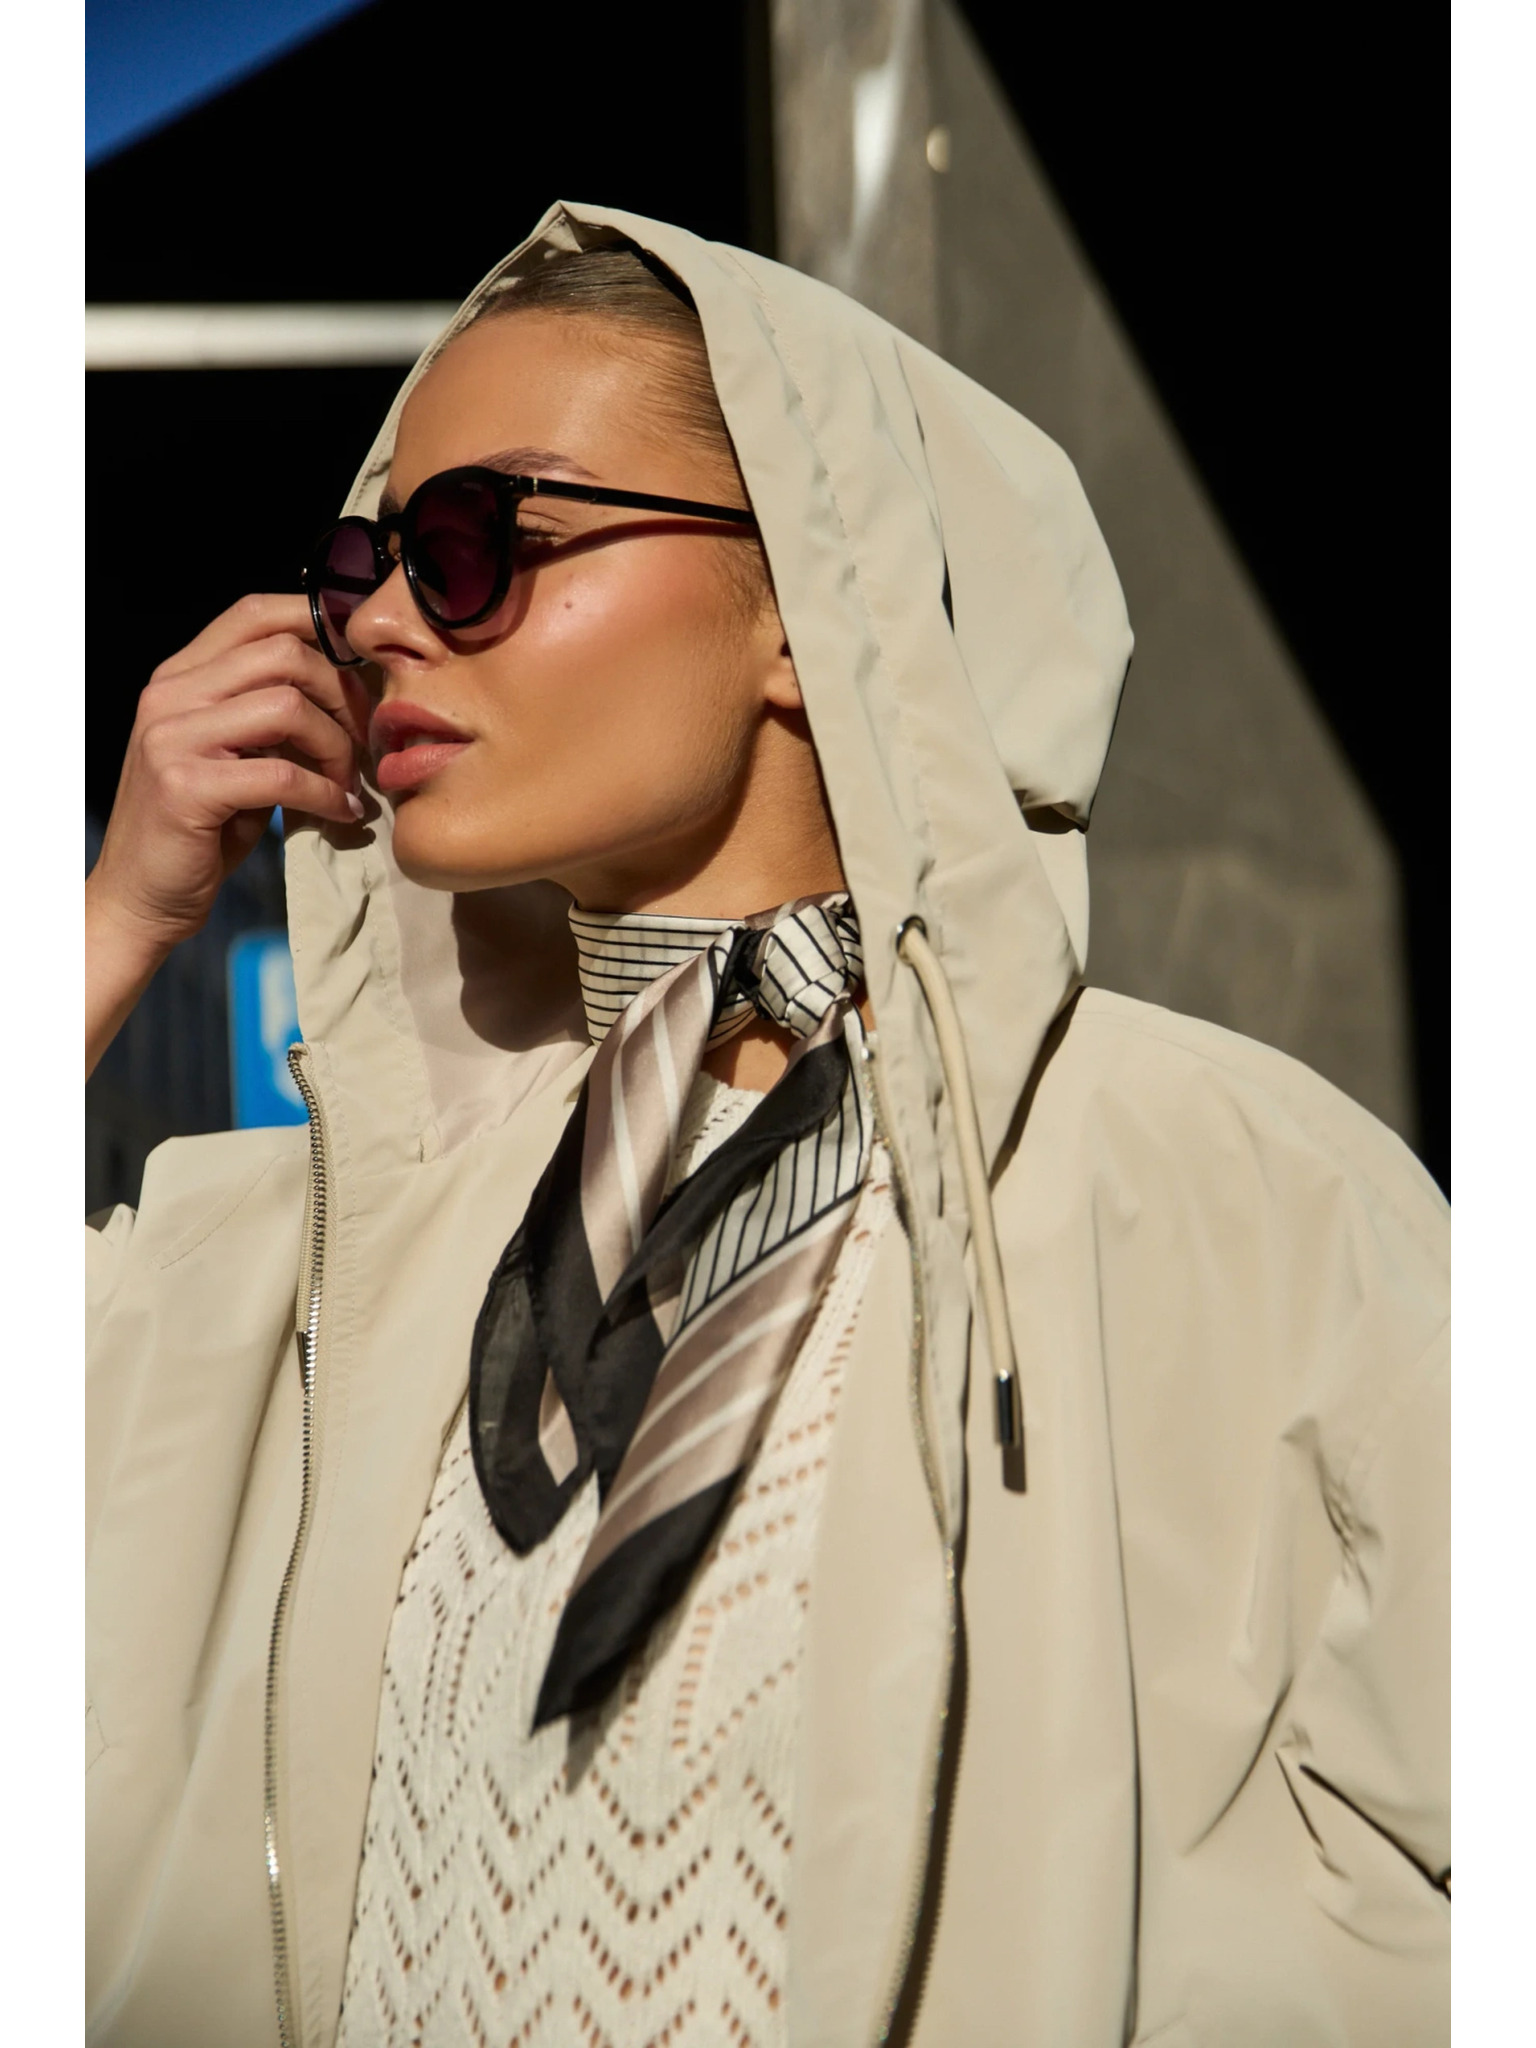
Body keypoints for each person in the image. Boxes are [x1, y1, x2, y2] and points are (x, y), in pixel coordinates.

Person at [85, 204, 1449, 2048]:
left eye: (477, 543)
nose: (384, 623)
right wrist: (111, 926)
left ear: (808, 597)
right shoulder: (333, 1249)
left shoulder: (1226, 1187)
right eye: (365, 563)